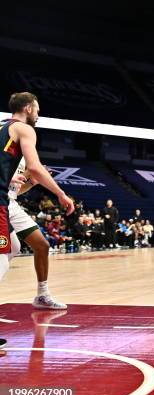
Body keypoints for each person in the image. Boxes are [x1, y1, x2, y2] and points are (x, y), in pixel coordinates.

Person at [0, 92, 75, 348]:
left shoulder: (5, 131)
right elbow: (34, 167)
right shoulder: (24, 131)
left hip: (8, 201)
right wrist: (61, 193)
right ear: (29, 108)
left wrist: (24, 182)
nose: (39, 115)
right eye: (38, 110)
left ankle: (42, 294)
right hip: (1, 202)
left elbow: (23, 182)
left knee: (24, 246)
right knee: (1, 259)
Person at [7, 160, 68, 308]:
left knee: (42, 246)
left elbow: (15, 191)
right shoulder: (5, 149)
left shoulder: (22, 156)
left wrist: (32, 182)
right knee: (12, 248)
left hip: (10, 203)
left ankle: (42, 295)